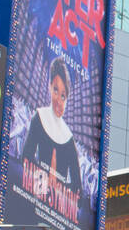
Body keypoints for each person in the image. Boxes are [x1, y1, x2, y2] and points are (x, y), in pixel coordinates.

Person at [20, 56, 82, 210]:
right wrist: (45, 179)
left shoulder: (68, 137)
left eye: (63, 96)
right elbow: (26, 157)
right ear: (49, 87)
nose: (59, 100)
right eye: (55, 90)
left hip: (58, 210)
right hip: (34, 197)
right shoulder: (39, 117)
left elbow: (77, 188)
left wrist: (59, 189)